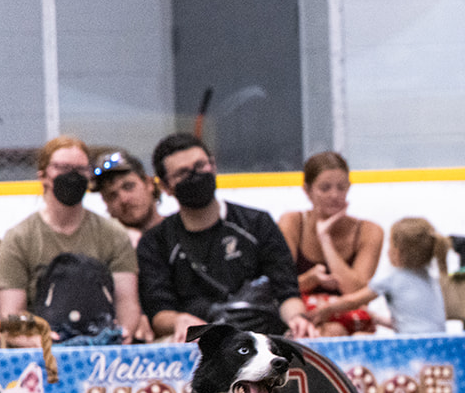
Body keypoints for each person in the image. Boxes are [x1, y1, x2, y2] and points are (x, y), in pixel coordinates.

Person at [136, 133, 316, 342]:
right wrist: (178, 320)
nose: (195, 176)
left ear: (213, 166)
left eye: (200, 166)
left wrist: (297, 319)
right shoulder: (155, 242)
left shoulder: (257, 223)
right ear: (166, 186)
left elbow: (286, 291)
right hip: (198, 340)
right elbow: (159, 312)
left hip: (262, 337)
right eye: (182, 173)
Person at [0, 135, 142, 344]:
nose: (72, 176)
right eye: (62, 168)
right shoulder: (18, 238)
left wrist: (121, 336)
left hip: (103, 344)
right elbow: (11, 314)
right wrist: (37, 341)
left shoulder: (114, 235)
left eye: (80, 169)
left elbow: (127, 302)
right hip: (42, 349)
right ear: (43, 176)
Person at [279, 151, 384, 337]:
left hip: (347, 319)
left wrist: (325, 238)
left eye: (341, 188)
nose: (334, 195)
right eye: (325, 188)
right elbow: (280, 286)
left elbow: (358, 294)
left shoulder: (369, 231)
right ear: (307, 190)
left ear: (349, 187)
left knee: (336, 330)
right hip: (300, 316)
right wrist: (311, 279)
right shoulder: (292, 223)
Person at [307, 217, 449, 335]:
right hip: (438, 341)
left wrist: (327, 308)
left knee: (359, 337)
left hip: (412, 344)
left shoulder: (392, 277)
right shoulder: (430, 278)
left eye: (390, 244)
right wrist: (378, 319)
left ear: (397, 251)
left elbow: (352, 301)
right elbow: (415, 322)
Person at [92, 150, 164, 245]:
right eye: (112, 195)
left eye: (128, 186)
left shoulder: (179, 230)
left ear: (149, 183)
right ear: (106, 204)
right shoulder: (105, 247)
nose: (123, 199)